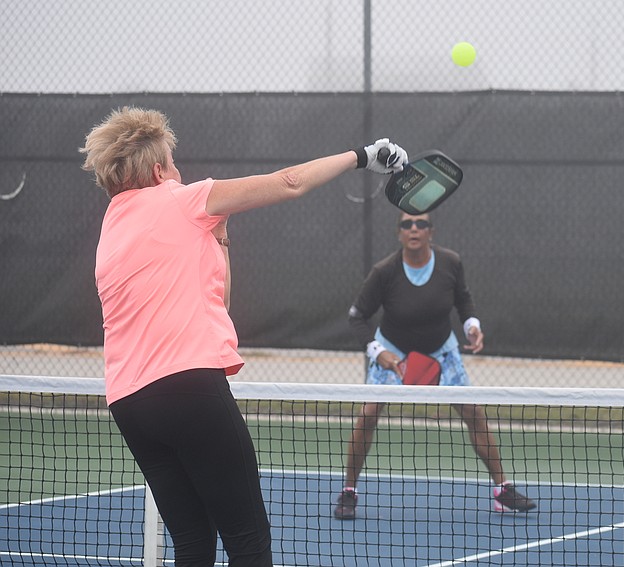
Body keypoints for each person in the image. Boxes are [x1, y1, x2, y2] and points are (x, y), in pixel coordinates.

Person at [80, 106, 407, 566]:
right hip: (189, 390)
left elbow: (221, 303)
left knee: (193, 544)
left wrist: (222, 233)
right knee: (248, 540)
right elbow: (290, 181)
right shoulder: (183, 198)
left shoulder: (112, 226)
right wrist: (363, 155)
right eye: (173, 163)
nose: (180, 171)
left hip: (130, 404)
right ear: (158, 171)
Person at [333, 211, 536, 520]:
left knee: (474, 412)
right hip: (394, 354)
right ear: (399, 233)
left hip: (442, 352)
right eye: (406, 224)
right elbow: (356, 316)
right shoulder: (384, 271)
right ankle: (349, 492)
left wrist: (471, 325)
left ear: (431, 231)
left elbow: (463, 299)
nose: (414, 229)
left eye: (421, 224)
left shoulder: (450, 262)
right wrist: (378, 353)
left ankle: (502, 490)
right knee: (368, 414)